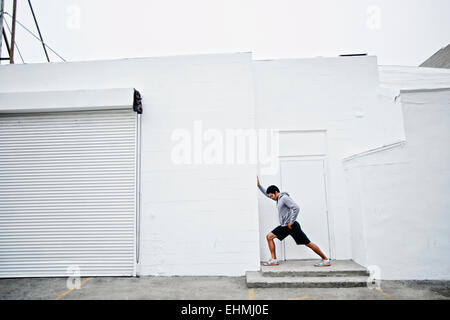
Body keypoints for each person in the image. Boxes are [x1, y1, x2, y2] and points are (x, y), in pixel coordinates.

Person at [257, 176, 331, 267]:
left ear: (276, 192)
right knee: (269, 237)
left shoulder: (284, 198)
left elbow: (296, 207)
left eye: (272, 196)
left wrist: (291, 221)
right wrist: (259, 185)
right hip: (284, 226)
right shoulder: (278, 199)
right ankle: (274, 260)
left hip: (291, 226)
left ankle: (325, 259)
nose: (271, 198)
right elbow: (266, 194)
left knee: (308, 243)